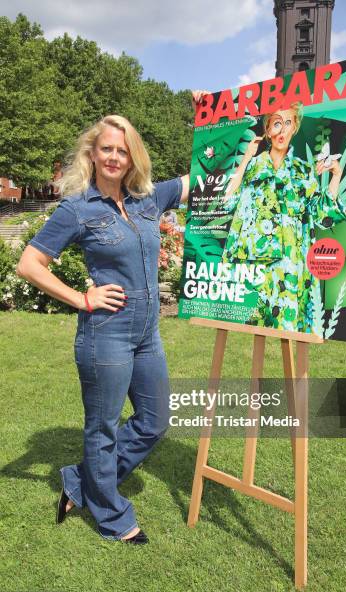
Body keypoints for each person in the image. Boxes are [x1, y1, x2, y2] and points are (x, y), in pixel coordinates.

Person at [16, 95, 203, 545]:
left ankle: (80, 482)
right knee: (102, 427)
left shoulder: (147, 199)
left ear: (132, 155)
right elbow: (29, 264)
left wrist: (210, 121)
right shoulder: (77, 209)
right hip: (107, 333)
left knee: (155, 420)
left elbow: (206, 177)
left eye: (123, 150)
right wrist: (82, 298)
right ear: (93, 154)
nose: (115, 157)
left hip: (147, 333)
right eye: (107, 149)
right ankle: (112, 516)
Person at [222, 103, 346, 333]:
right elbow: (227, 201)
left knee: (290, 332)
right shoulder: (253, 168)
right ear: (268, 130)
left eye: (288, 123)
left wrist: (336, 176)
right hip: (254, 266)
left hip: (290, 267)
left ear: (294, 128)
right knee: (254, 326)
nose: (282, 130)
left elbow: (321, 214)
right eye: (276, 123)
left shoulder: (302, 171)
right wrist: (246, 158)